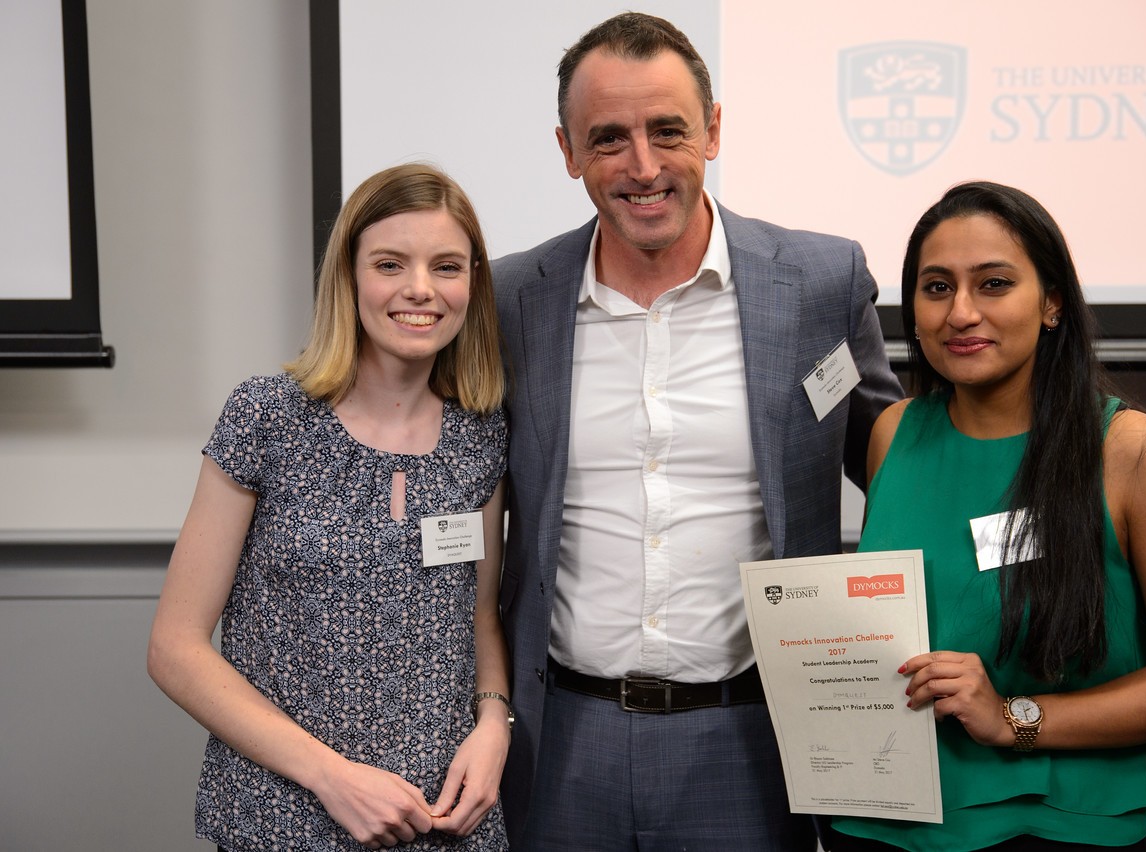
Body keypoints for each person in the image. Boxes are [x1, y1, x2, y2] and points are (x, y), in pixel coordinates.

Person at [491, 12, 903, 851]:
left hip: (752, 742)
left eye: (668, 130)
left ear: (713, 131)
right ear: (568, 151)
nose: (643, 167)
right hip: (561, 740)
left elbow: (902, 471)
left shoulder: (820, 283)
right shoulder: (508, 300)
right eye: (609, 139)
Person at [823, 181, 1146, 851]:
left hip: (1054, 829)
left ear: (1052, 303)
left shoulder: (1134, 451)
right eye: (937, 288)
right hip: (881, 823)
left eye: (993, 284)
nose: (961, 312)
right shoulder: (892, 434)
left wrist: (1014, 718)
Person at [148, 163, 512, 851]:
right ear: (348, 277)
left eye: (446, 267)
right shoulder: (267, 417)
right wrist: (331, 777)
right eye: (390, 264)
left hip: (443, 822)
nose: (420, 288)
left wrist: (494, 723)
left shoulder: (482, 434)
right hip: (285, 820)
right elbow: (175, 649)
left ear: (473, 283)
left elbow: (480, 618)